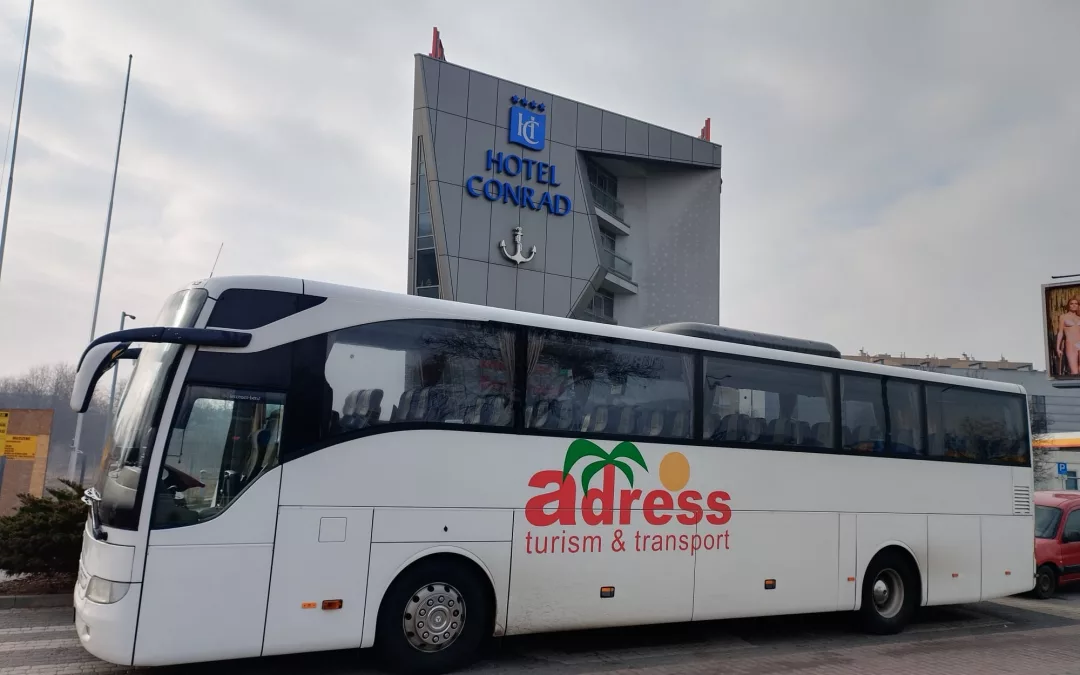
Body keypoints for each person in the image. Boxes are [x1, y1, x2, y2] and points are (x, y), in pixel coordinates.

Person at [1056, 297, 1080, 375]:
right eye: (1071, 303)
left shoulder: (1079, 317)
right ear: (1068, 305)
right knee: (1074, 371)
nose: (1074, 305)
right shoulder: (1063, 317)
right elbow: (1060, 333)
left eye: (1076, 304)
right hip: (1071, 344)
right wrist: (1058, 348)